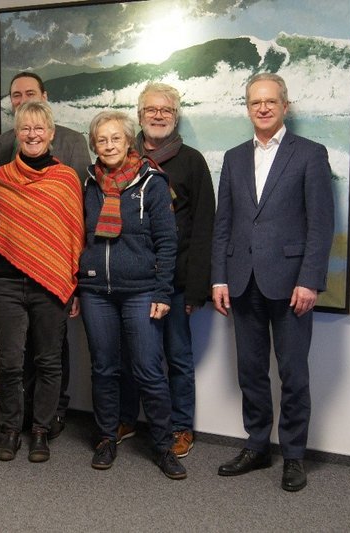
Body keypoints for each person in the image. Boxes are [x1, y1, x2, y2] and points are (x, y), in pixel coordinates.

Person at [211, 73, 334, 492]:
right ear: (247, 108)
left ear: (285, 105)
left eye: (270, 101)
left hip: (292, 285)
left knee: (294, 374)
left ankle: (294, 455)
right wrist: (219, 278)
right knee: (251, 371)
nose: (262, 108)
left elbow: (321, 224)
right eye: (255, 102)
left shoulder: (310, 154)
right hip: (242, 282)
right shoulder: (233, 158)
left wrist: (310, 280)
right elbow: (223, 224)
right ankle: (257, 445)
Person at [79, 110, 183, 480]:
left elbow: (167, 242)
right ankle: (107, 437)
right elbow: (78, 234)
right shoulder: (88, 183)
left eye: (116, 139)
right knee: (104, 369)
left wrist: (163, 292)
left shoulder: (151, 181)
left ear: (128, 141)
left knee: (149, 370)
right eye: (102, 140)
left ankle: (164, 446)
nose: (109, 145)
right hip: (96, 292)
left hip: (141, 291)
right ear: (94, 145)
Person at [0, 101, 84, 463]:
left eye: (39, 128)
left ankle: (40, 429)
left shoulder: (66, 179)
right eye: (25, 128)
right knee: (9, 362)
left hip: (51, 284)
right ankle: (10, 429)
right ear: (17, 134)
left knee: (48, 361)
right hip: (6, 283)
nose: (32, 135)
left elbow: (73, 237)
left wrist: (74, 287)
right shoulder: (2, 177)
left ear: (51, 134)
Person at [116, 83, 216, 459]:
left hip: (175, 280)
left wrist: (196, 288)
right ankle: (126, 418)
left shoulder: (192, 162)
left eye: (166, 110)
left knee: (177, 357)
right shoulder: (122, 158)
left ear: (176, 116)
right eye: (151, 110)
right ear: (139, 115)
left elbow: (205, 226)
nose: (158, 116)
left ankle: (180, 427)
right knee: (130, 355)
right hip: (131, 278)